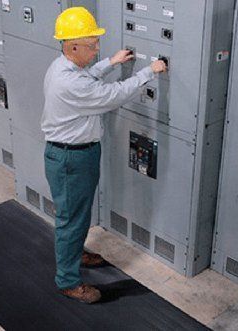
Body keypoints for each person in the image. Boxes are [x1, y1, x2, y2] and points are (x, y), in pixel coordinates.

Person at [41, 7, 166, 304]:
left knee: (78, 214)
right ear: (72, 46)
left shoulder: (63, 66)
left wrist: (111, 62)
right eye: (92, 45)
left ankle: (75, 253)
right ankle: (68, 281)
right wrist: (150, 71)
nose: (97, 49)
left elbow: (88, 76)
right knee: (71, 220)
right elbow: (113, 95)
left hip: (73, 155)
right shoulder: (70, 83)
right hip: (71, 159)